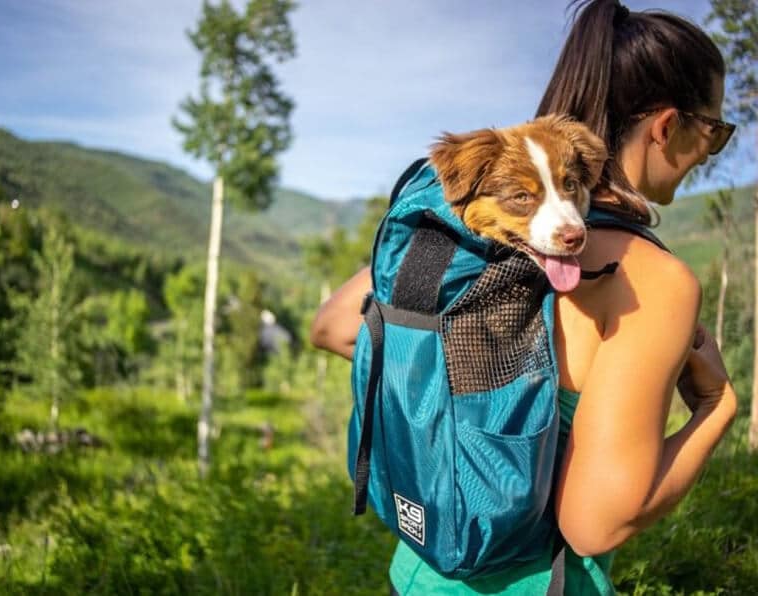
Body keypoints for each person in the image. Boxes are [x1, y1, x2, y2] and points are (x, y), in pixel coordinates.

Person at [309, 0, 738, 593]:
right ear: (667, 126)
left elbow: (331, 325)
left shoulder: (462, 246)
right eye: (714, 132)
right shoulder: (652, 280)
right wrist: (718, 408)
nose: (708, 154)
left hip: (420, 569)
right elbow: (594, 525)